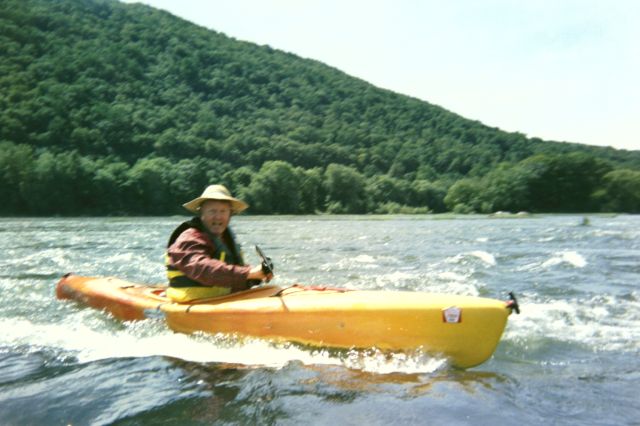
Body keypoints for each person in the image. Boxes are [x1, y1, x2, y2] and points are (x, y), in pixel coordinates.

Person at [165, 184, 273, 302]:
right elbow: (203, 269)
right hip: (191, 304)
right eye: (212, 211)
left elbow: (233, 275)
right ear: (202, 213)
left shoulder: (226, 240)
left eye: (223, 211)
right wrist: (248, 273)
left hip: (222, 301)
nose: (218, 217)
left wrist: (259, 274)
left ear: (230, 214)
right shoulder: (188, 238)